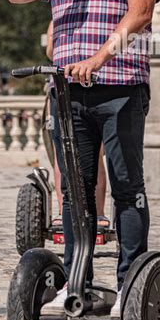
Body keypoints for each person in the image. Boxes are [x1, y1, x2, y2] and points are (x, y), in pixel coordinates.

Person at [7, 0, 160, 319]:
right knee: (75, 192)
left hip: (119, 90)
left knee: (126, 188)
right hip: (69, 94)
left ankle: (130, 287)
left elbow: (139, 16)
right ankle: (77, 283)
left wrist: (99, 58)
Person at [45, 19, 109, 226]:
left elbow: (50, 51)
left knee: (86, 153)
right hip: (64, 84)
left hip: (86, 82)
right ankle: (72, 211)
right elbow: (50, 52)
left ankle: (94, 212)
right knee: (65, 154)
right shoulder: (59, 18)